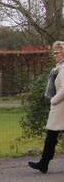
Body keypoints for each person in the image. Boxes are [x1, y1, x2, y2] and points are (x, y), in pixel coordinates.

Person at [29, 40, 64, 173]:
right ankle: (44, 163)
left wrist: (54, 100)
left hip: (61, 107)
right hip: (60, 108)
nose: (55, 55)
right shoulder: (58, 68)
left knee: (51, 137)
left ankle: (44, 163)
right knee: (51, 137)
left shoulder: (63, 69)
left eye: (57, 53)